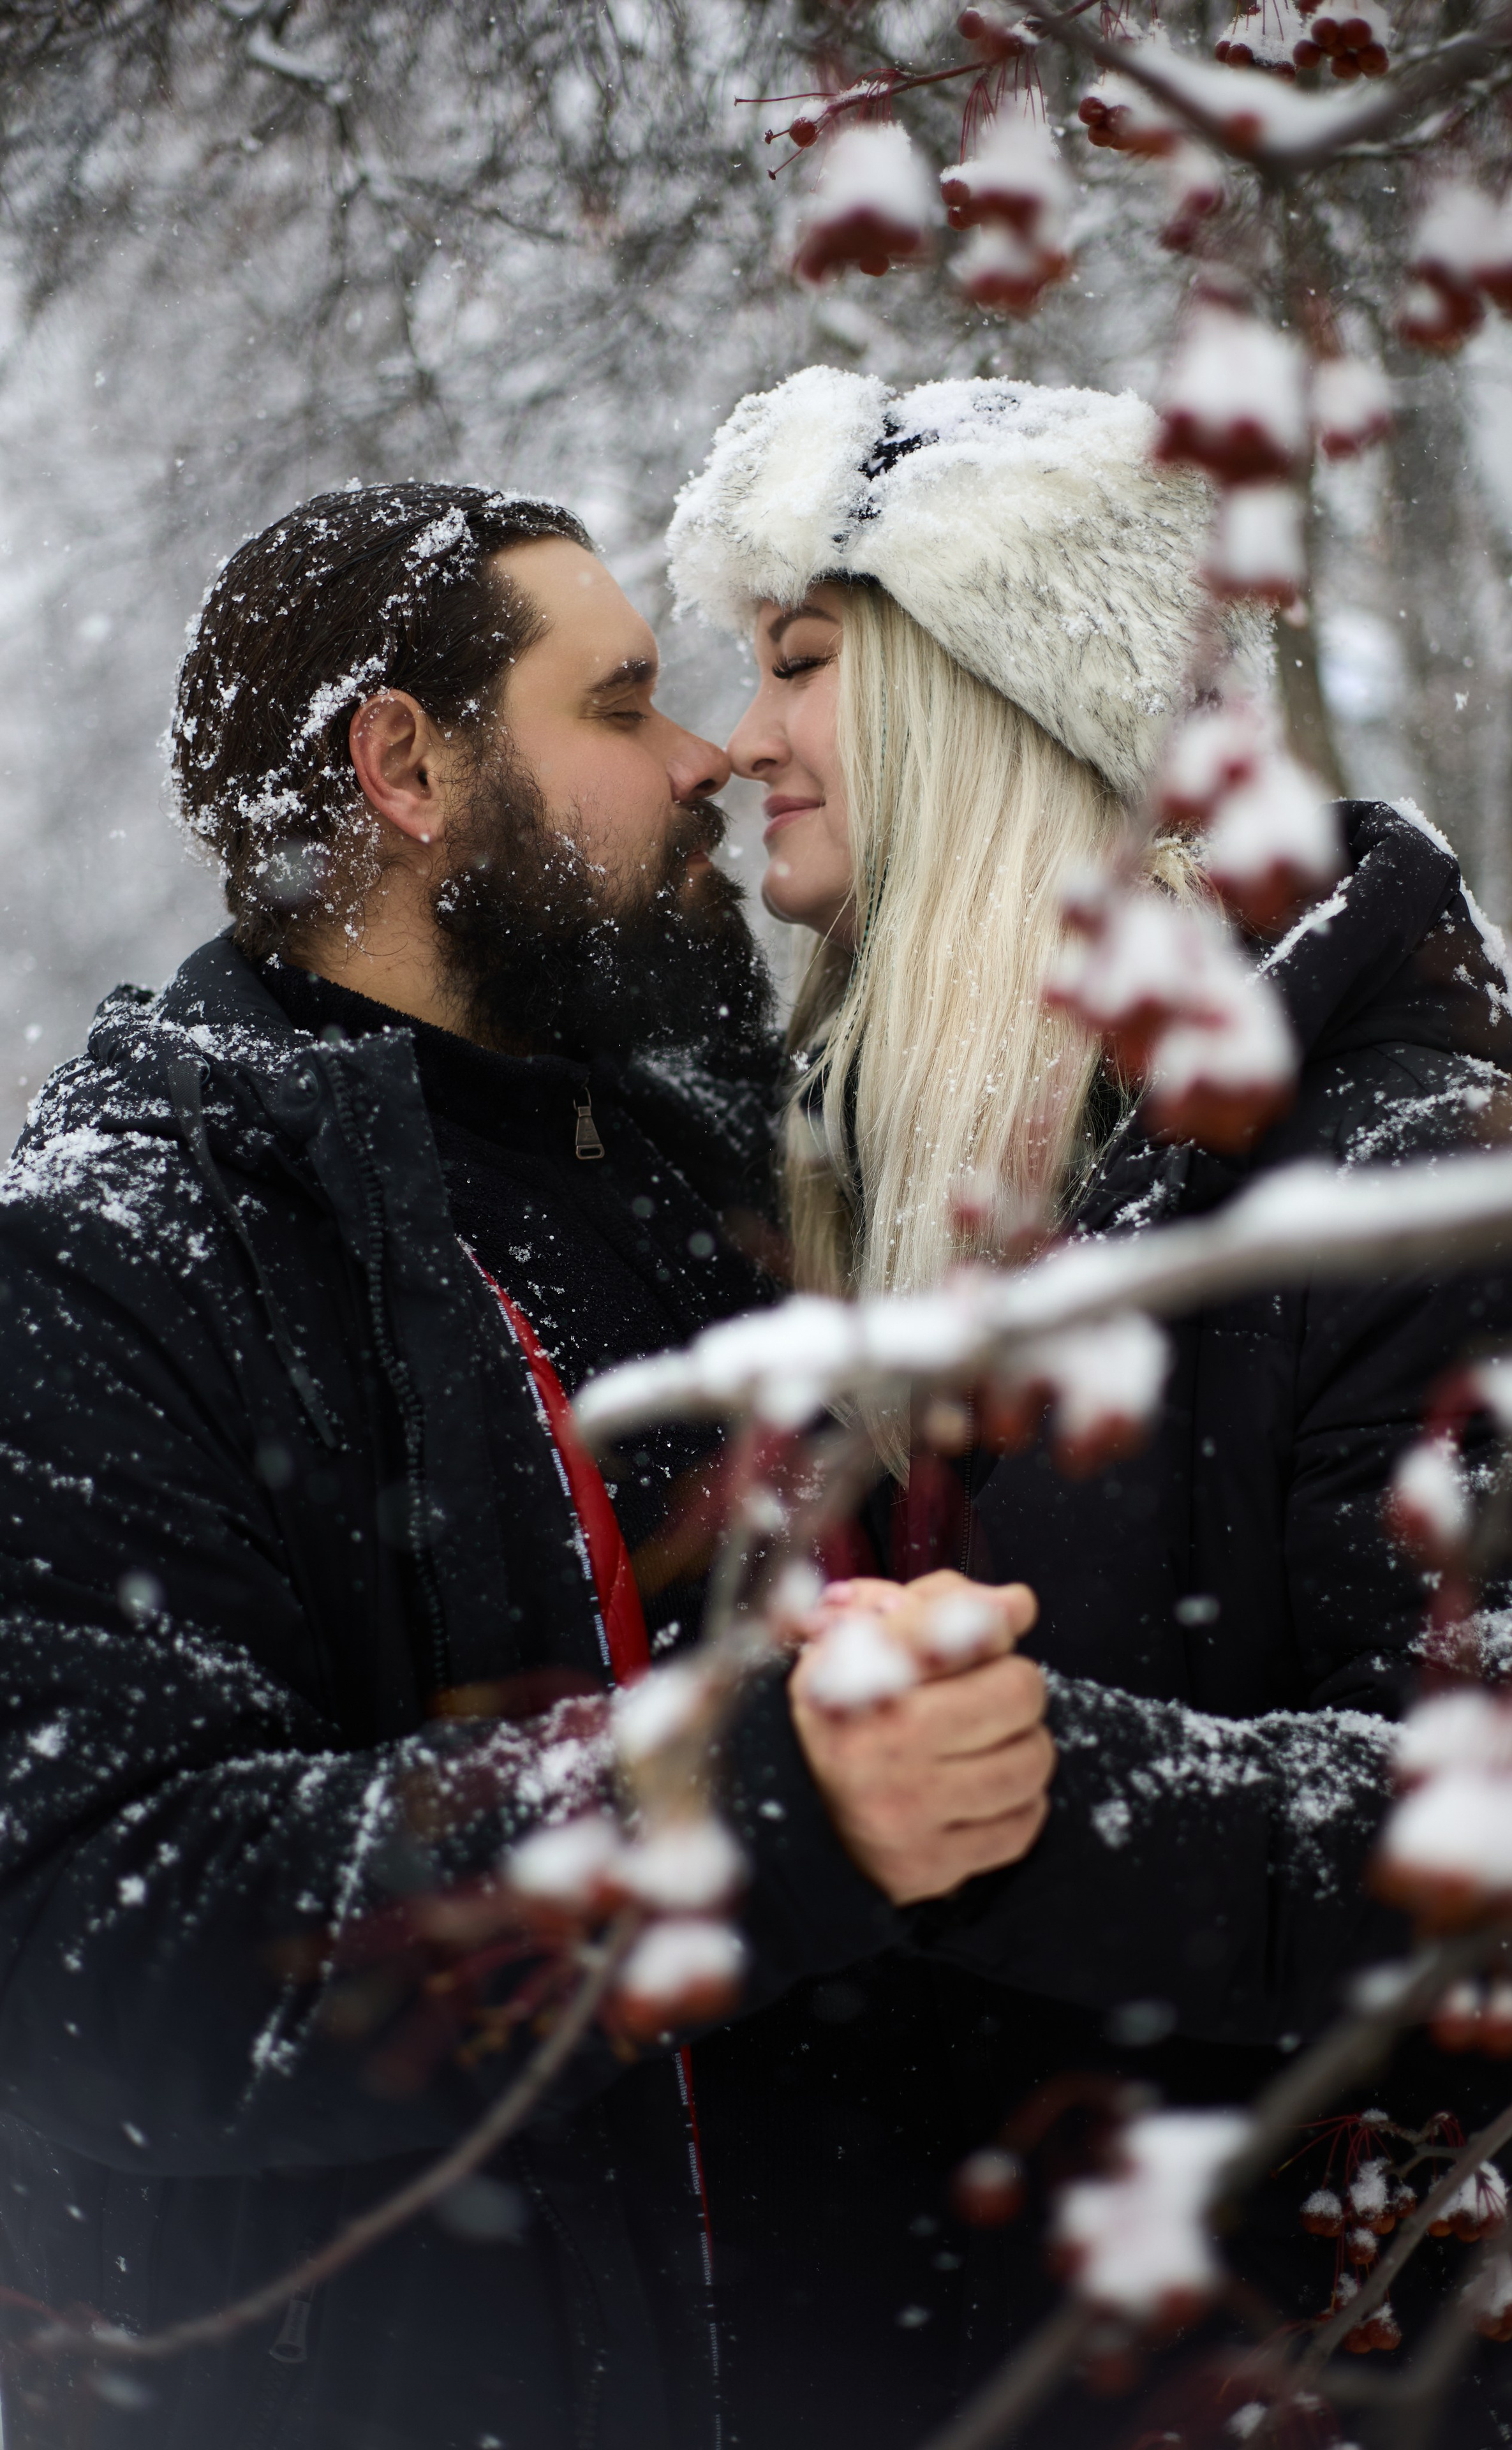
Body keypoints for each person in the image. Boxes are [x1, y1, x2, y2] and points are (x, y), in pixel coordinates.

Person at [0, 482, 1059, 2450]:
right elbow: (95, 1942)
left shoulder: (674, 1156)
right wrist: (733, 1808)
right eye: (625, 701)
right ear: (402, 766)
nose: (704, 761)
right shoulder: (121, 1255)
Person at [664, 368, 1512, 2442]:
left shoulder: (1406, 1190)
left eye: (808, 665)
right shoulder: (813, 1189)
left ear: (995, 696)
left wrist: (1005, 1785)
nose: (741, 741)